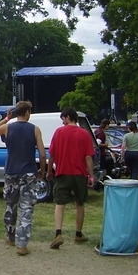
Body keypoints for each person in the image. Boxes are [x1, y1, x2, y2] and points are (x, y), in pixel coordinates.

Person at [0, 101, 46, 256]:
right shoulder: (35, 130)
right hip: (28, 173)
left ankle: (10, 235)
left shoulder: (8, 127)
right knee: (26, 208)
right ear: (27, 112)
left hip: (11, 172)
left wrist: (6, 119)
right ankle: (22, 244)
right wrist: (42, 169)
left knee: (11, 205)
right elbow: (42, 153)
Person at [46, 107, 95, 250]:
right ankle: (78, 234)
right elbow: (88, 157)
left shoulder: (59, 132)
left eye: (63, 119)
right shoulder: (85, 134)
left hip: (62, 173)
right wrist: (91, 176)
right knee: (80, 204)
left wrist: (49, 171)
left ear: (68, 117)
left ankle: (58, 234)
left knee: (60, 203)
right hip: (80, 174)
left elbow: (52, 155)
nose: (62, 122)